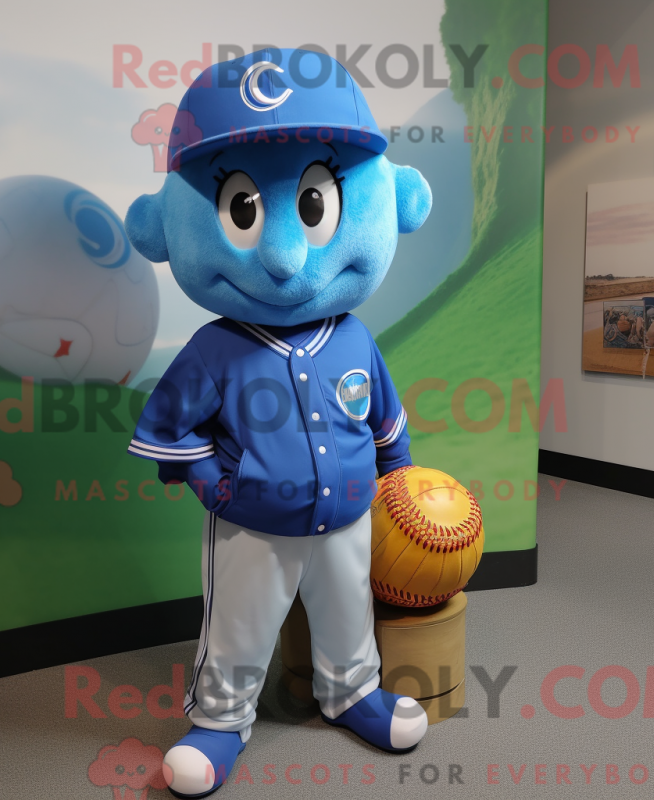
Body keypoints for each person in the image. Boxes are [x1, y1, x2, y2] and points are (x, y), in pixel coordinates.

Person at [125, 49, 433, 797]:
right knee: (239, 627)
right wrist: (215, 488)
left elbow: (384, 418)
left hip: (347, 517)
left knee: (348, 611)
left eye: (314, 204)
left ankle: (352, 693)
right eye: (242, 210)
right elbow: (172, 431)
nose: (286, 257)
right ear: (166, 226)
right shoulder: (215, 349)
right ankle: (220, 721)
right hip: (254, 527)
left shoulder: (354, 339)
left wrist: (398, 478)